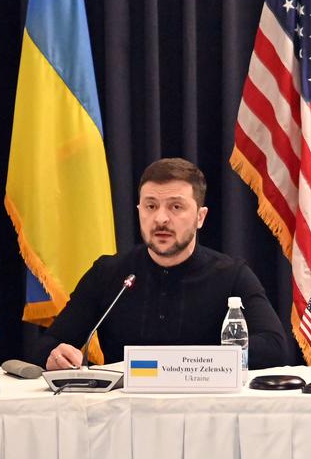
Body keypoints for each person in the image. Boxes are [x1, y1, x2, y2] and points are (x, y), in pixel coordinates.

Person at [34, 158, 288, 370]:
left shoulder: (231, 275)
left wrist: (191, 365)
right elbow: (49, 343)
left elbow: (275, 348)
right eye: (151, 206)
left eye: (176, 206)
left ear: (200, 217)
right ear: (139, 211)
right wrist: (56, 354)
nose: (161, 218)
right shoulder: (109, 273)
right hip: (124, 418)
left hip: (206, 416)